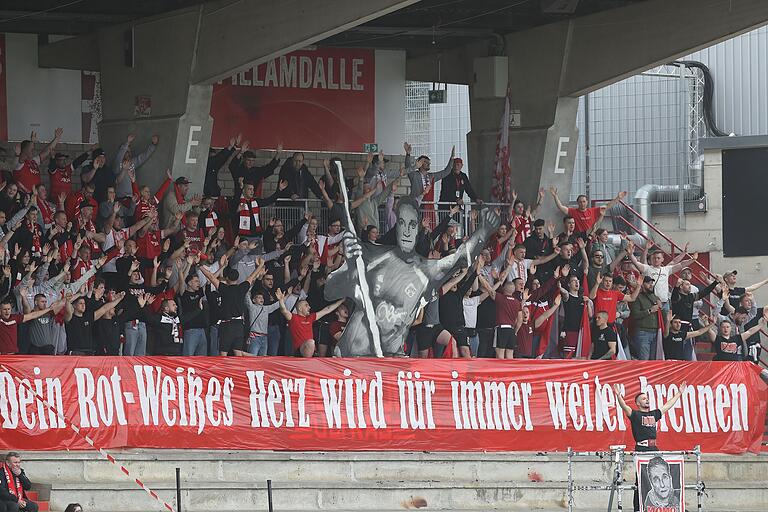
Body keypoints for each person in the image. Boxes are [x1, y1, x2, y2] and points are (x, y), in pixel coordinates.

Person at [325, 197, 500, 356]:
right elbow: (330, 291)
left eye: (412, 225)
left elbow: (459, 258)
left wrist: (484, 231)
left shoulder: (425, 271)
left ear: (417, 229)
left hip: (391, 356)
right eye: (402, 223)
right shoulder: (374, 259)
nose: (407, 231)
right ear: (396, 228)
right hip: (354, 354)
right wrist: (348, 268)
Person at [614, 381, 687, 512]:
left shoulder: (654, 414)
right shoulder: (635, 415)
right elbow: (624, 406)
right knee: (641, 480)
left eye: (647, 398)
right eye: (643, 398)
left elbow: (667, 406)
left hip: (654, 450)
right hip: (641, 450)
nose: (646, 399)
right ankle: (637, 508)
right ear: (637, 403)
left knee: (657, 477)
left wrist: (679, 394)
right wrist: (619, 396)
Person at [276, 288, 343, 357]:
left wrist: (342, 300)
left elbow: (327, 310)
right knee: (311, 342)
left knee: (312, 344)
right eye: (306, 305)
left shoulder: (310, 317)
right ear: (300, 308)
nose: (309, 307)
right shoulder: (293, 318)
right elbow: (284, 310)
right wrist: (281, 301)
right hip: (300, 351)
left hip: (312, 351)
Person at [549, 187, 627, 236]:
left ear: (587, 202)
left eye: (584, 201)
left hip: (591, 236)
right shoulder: (573, 211)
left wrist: (618, 198)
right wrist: (555, 196)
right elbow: (561, 207)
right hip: (578, 237)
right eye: (580, 202)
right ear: (577, 203)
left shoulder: (593, 211)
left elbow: (607, 206)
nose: (582, 203)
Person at [629, 276, 663, 360]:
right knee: (644, 360)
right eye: (648, 283)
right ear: (642, 285)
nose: (651, 285)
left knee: (653, 360)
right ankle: (642, 374)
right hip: (642, 332)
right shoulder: (637, 297)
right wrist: (649, 310)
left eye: (651, 283)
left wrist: (661, 307)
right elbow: (635, 314)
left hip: (655, 332)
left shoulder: (655, 297)